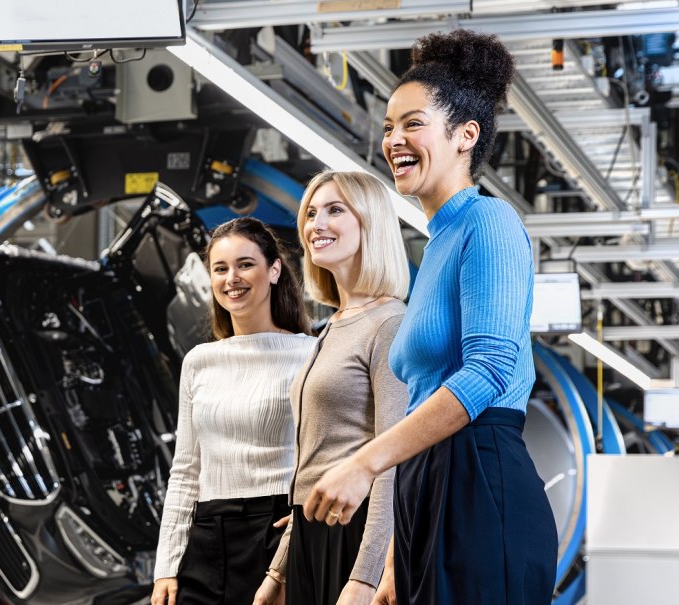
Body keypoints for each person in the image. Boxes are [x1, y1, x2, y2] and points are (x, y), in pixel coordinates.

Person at [300, 30, 557, 605]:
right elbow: (420, 395)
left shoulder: (488, 222)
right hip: (425, 490)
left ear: (466, 135)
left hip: (479, 483)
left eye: (413, 123)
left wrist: (364, 463)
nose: (394, 140)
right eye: (389, 127)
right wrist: (396, 554)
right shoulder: (436, 243)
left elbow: (489, 370)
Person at [250, 172, 411, 605]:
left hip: (355, 535)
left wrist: (365, 577)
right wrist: (279, 572)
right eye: (311, 213)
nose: (315, 224)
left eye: (335, 210)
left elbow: (391, 463)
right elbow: (314, 467)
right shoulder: (333, 327)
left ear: (370, 224)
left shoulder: (389, 323)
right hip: (311, 536)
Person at [152, 217, 315, 605]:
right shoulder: (199, 361)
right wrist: (166, 566)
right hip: (208, 532)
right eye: (220, 268)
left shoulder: (310, 354)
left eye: (245, 264)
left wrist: (307, 516)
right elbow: (186, 470)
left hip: (278, 527)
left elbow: (330, 451)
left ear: (274, 270)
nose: (232, 278)